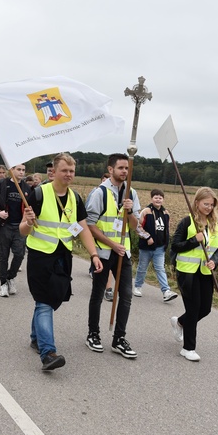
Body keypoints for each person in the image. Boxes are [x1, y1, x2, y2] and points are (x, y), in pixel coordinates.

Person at [20, 153, 102, 371]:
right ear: (53, 172)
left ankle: (36, 337)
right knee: (44, 302)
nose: (68, 174)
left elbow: (82, 227)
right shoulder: (38, 194)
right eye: (64, 170)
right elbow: (23, 230)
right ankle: (48, 353)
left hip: (62, 255)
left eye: (72, 171)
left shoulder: (75, 198)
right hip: (39, 255)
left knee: (53, 299)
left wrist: (94, 255)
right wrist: (28, 223)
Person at [85, 153, 142, 358]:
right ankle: (93, 333)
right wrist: (111, 244)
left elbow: (135, 226)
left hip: (123, 253)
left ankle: (119, 338)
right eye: (121, 168)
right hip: (103, 252)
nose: (125, 172)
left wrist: (130, 213)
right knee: (98, 294)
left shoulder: (132, 193)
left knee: (126, 295)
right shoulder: (99, 193)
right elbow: (89, 225)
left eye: (127, 168)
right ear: (110, 170)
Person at [170, 187, 218, 362]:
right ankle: (188, 348)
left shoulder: (215, 224)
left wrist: (214, 261)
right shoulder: (187, 222)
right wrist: (195, 241)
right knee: (193, 308)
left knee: (205, 308)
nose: (209, 207)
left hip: (205, 272)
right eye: (206, 203)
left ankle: (180, 322)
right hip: (187, 272)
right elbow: (175, 245)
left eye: (211, 204)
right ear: (197, 202)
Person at [0, 163, 29, 297]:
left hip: (19, 227)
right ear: (12, 171)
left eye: (23, 170)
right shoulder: (2, 184)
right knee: (3, 256)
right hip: (4, 225)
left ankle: (11, 277)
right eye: (19, 170)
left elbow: (32, 205)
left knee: (19, 254)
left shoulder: (27, 188)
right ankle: (3, 283)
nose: (21, 172)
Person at [134, 189, 178, 301]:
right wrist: (147, 237)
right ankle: (137, 286)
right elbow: (138, 227)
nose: (158, 199)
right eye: (156, 197)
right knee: (142, 267)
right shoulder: (146, 211)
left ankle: (166, 291)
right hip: (146, 247)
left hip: (160, 247)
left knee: (160, 269)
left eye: (160, 198)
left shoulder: (166, 213)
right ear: (151, 199)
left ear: (163, 199)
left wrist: (166, 242)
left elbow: (167, 229)